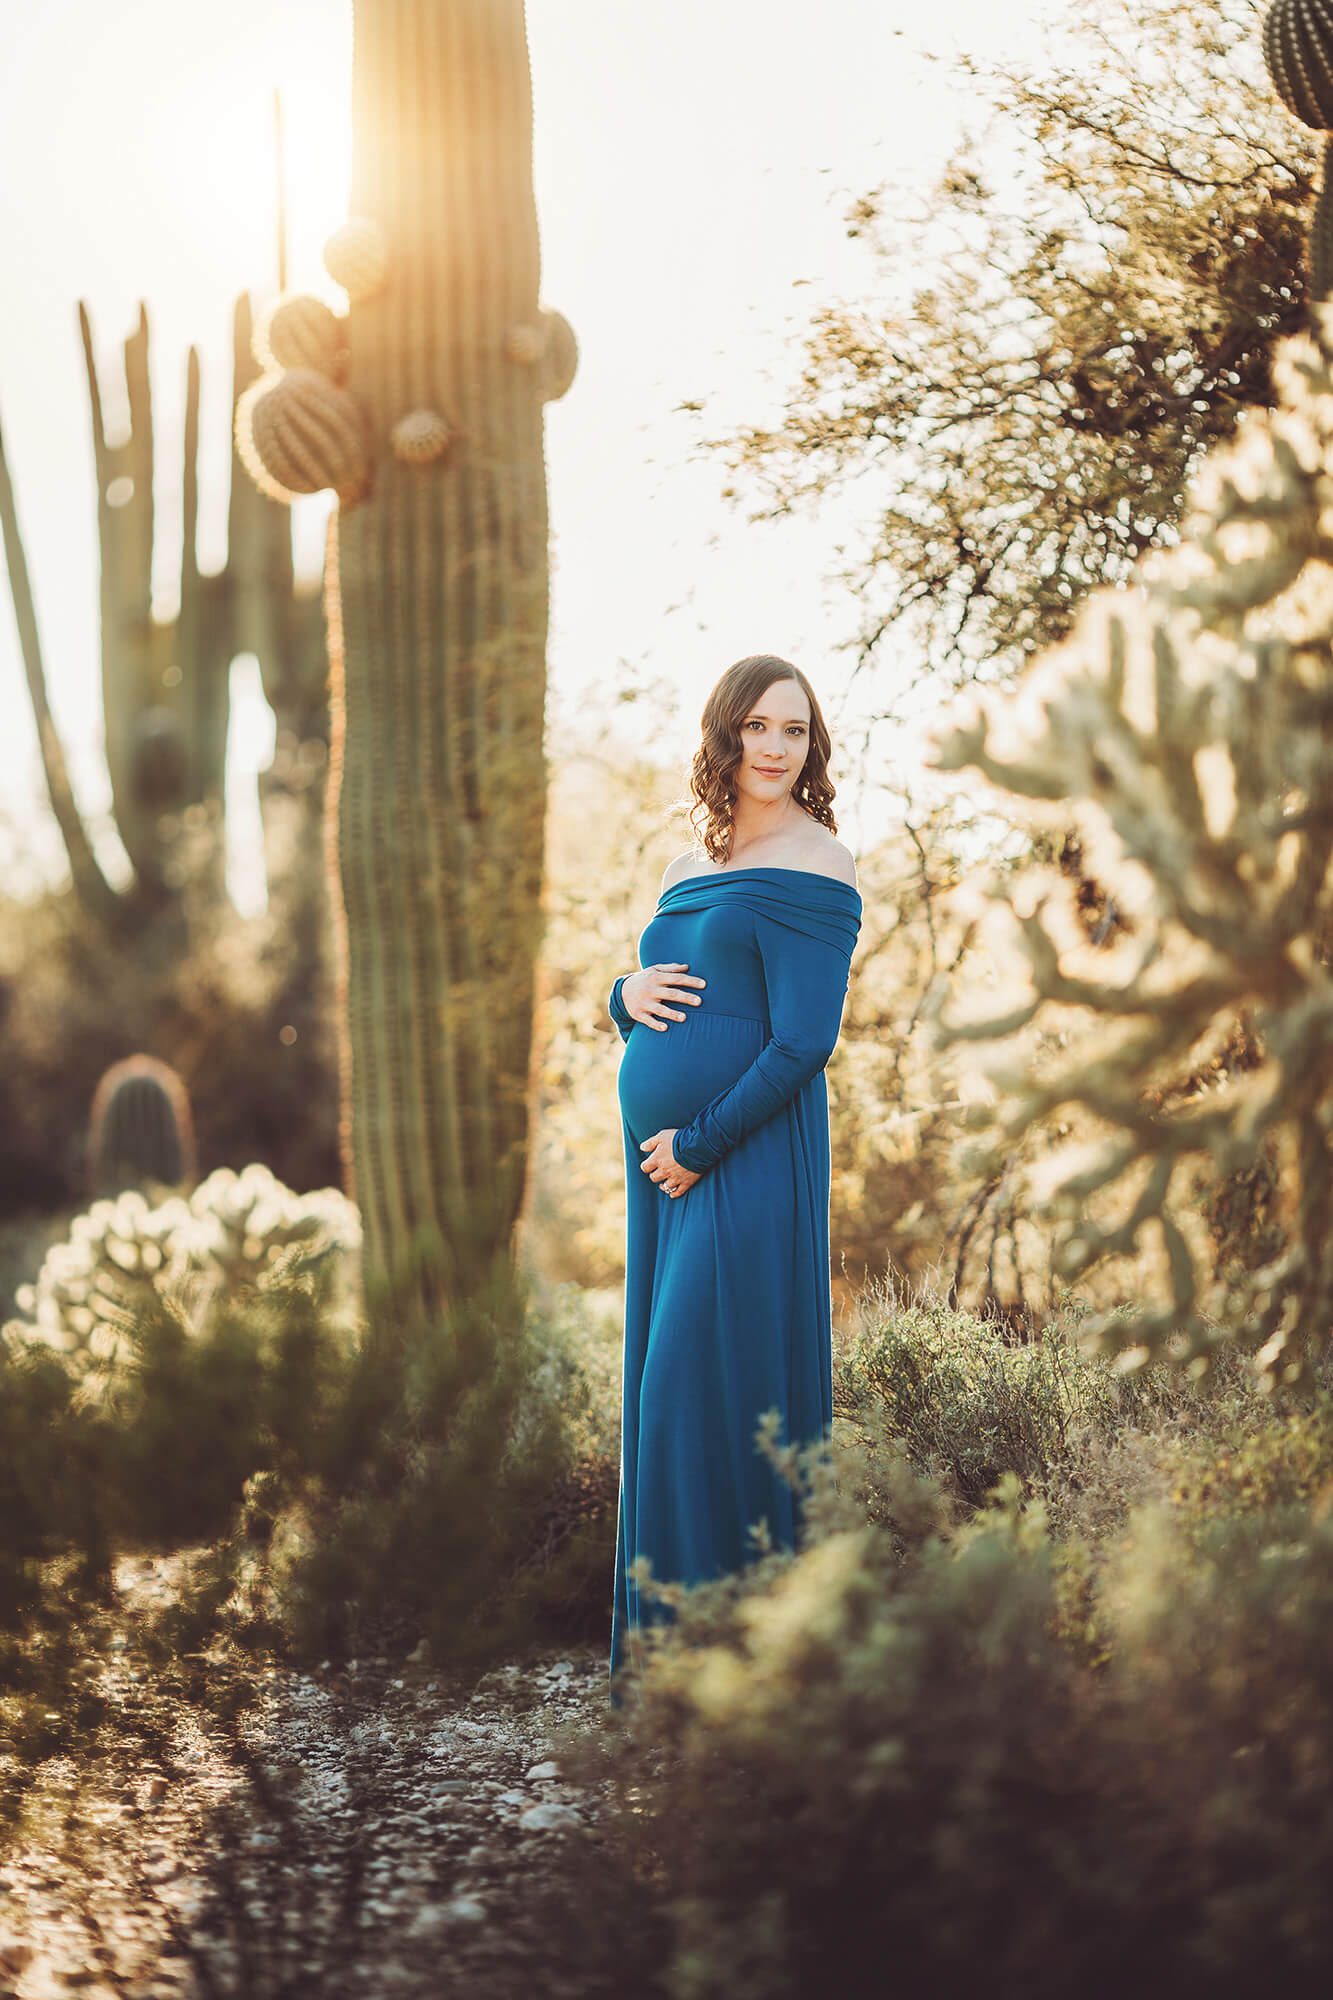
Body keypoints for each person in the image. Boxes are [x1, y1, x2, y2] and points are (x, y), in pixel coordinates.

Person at [606, 652, 863, 1704]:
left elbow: (803, 1041)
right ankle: (668, 1659)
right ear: (723, 734)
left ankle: (737, 1664)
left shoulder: (823, 862)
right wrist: (619, 994)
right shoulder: (684, 858)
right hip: (666, 1173)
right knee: (667, 1392)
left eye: (792, 730)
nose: (771, 745)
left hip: (740, 1160)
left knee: (706, 1388)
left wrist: (698, 1141)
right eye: (755, 725)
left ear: (812, 747)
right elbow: (657, 997)